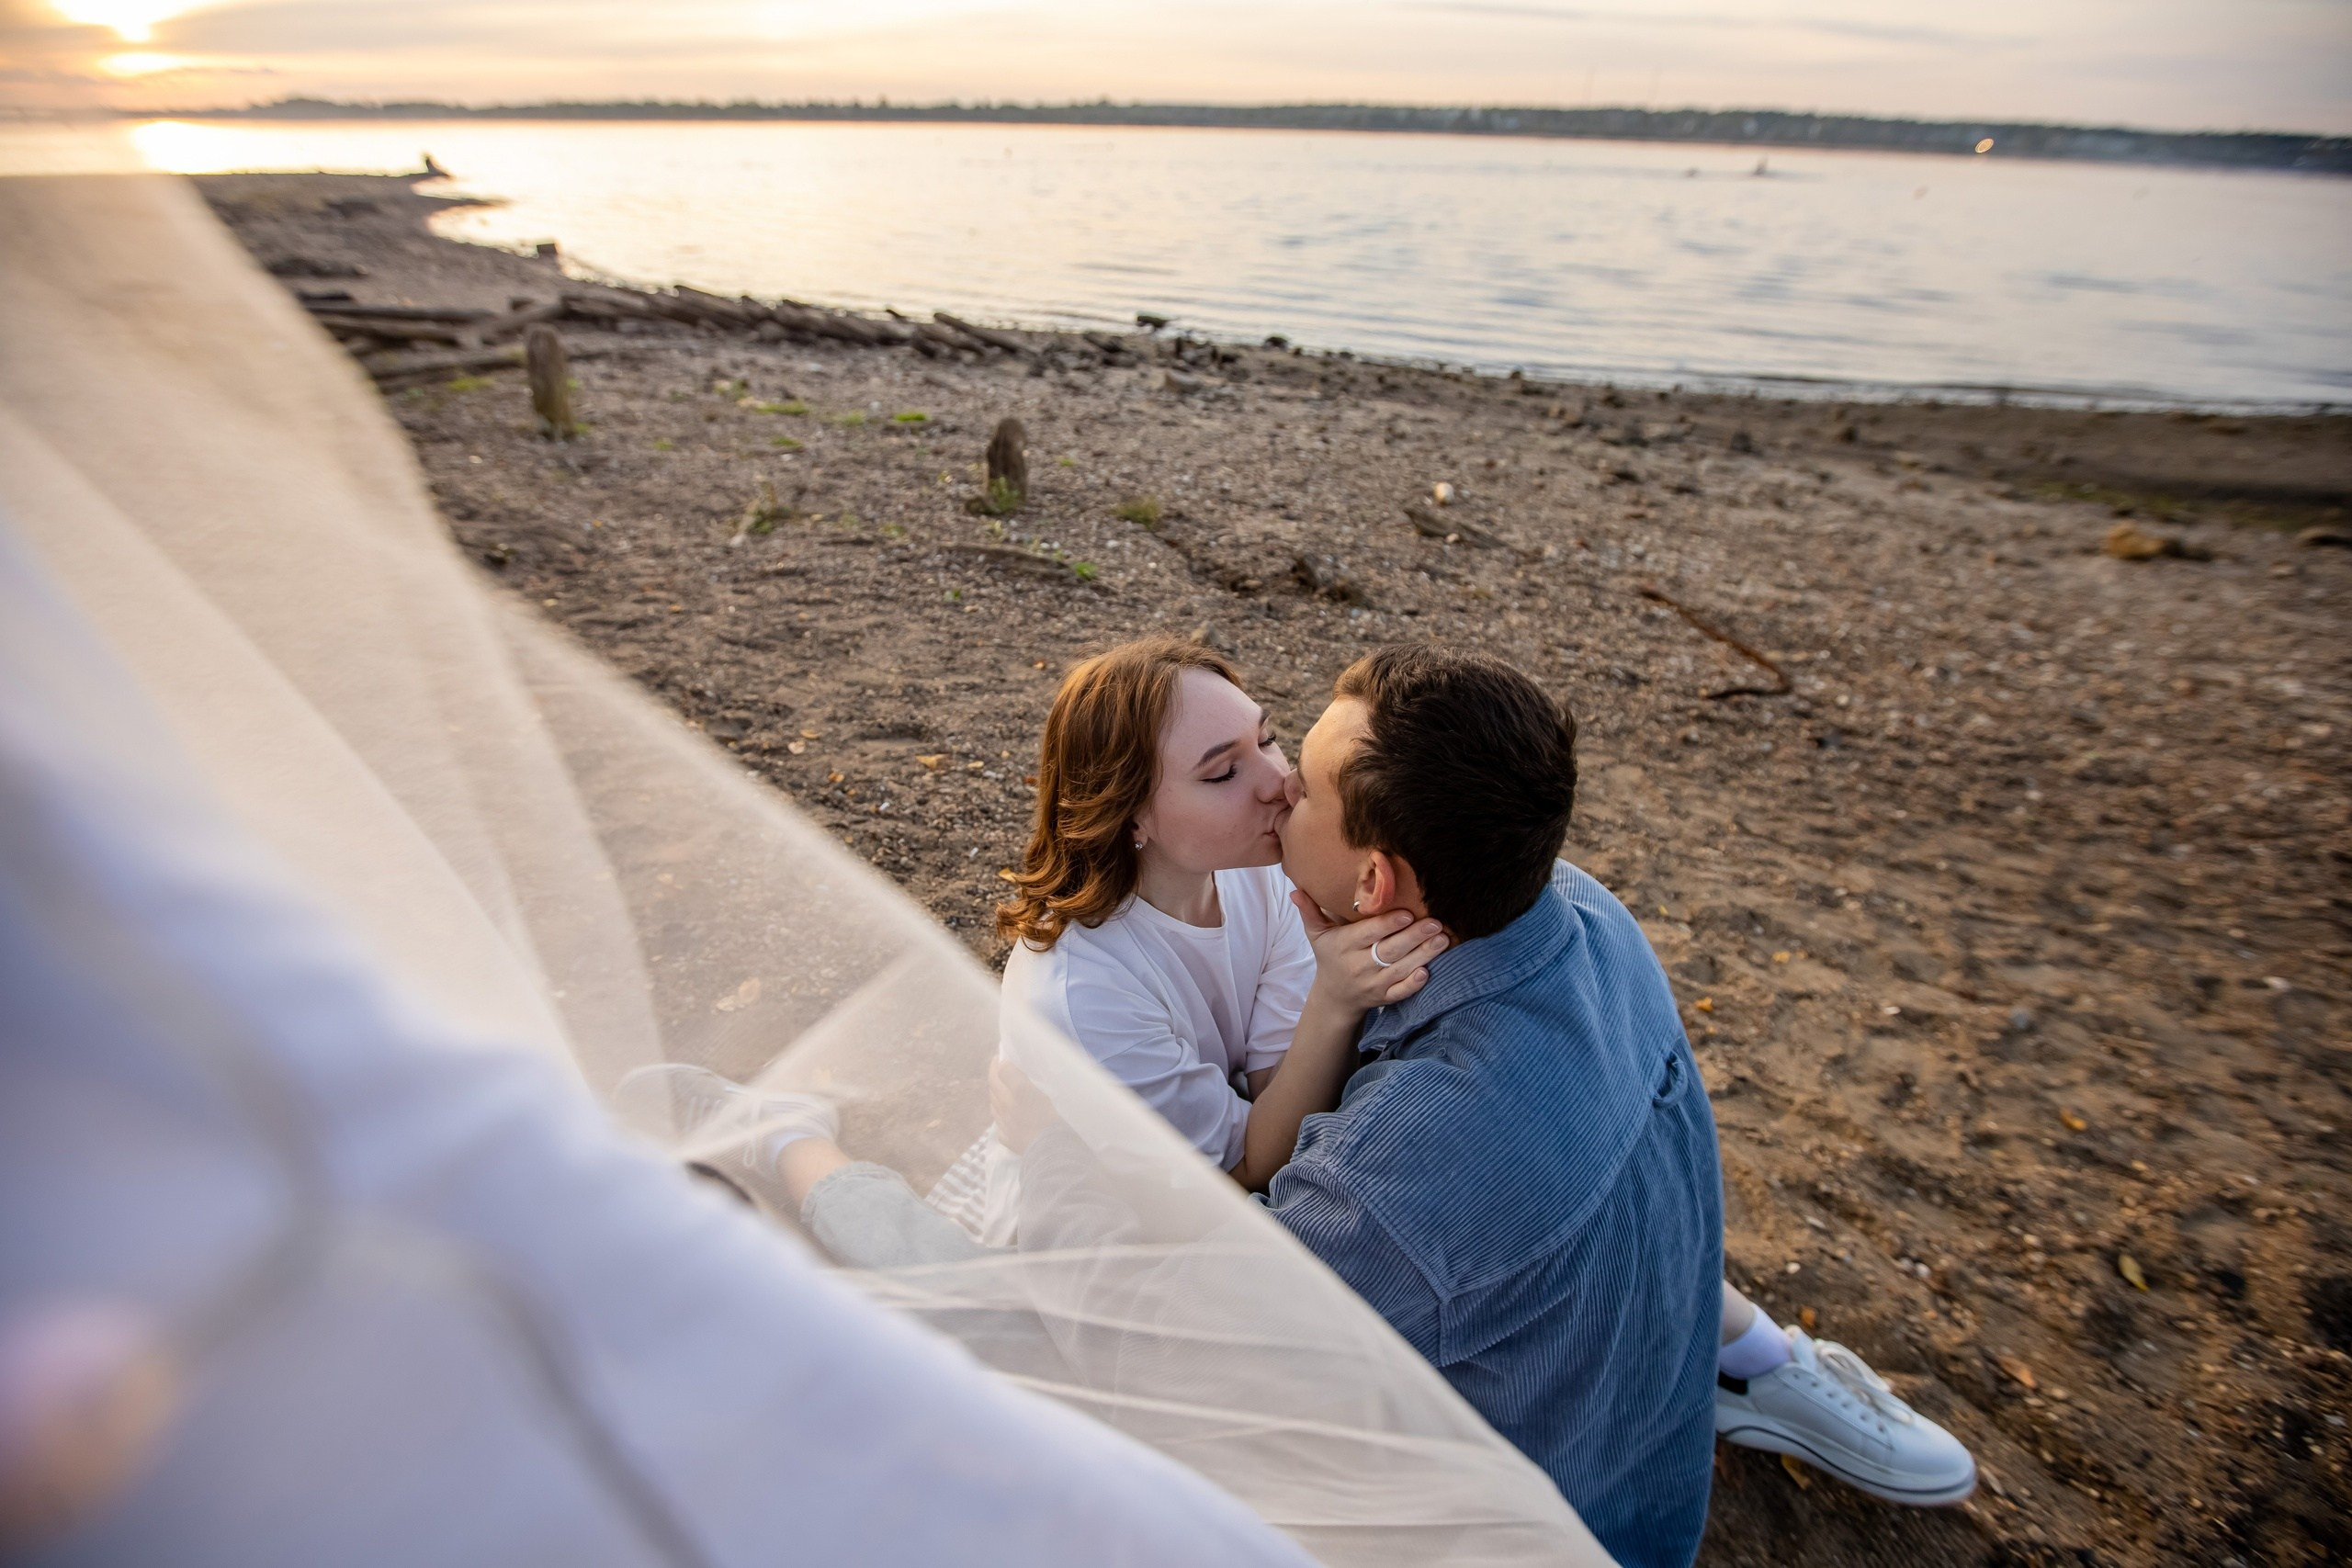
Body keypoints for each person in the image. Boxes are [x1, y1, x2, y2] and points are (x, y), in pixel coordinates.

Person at [700, 639, 1975, 1529]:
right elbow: (1283, 1095)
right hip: (1235, 1215)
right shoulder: (1581, 913)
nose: (1278, 788)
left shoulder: (1399, 1175)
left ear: (1377, 889)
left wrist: (1061, 1144)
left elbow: (1200, 1362)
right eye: (1254, 762)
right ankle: (787, 1147)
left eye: (1291, 770)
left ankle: (1754, 1363)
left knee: (998, 1366)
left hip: (1503, 1489)